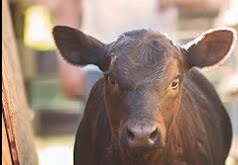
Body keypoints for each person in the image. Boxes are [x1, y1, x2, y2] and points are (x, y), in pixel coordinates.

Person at [53, 0, 220, 101]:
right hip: (103, 64)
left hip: (160, 66)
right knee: (101, 147)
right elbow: (68, 4)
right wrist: (68, 68)